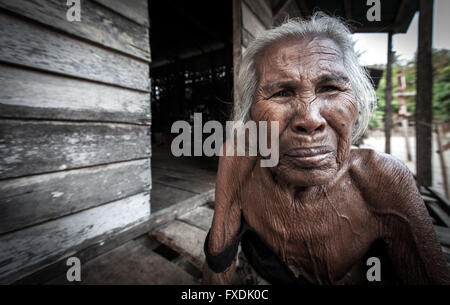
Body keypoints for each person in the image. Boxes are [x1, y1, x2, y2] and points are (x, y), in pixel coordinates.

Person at [202, 13, 450, 285]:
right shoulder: (239, 159)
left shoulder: (384, 180)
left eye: (330, 88)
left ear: (355, 103)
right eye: (281, 93)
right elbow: (219, 258)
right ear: (250, 114)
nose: (310, 119)